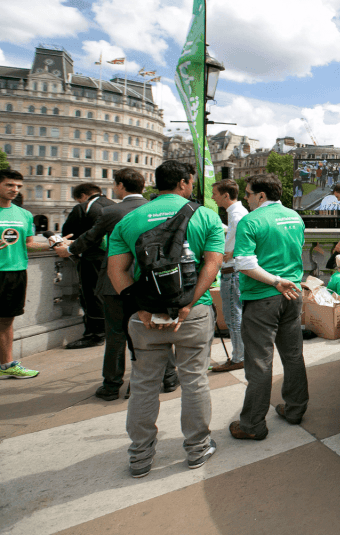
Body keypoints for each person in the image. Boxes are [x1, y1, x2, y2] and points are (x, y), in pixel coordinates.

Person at [107, 160, 224, 477]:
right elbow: (212, 265)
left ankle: (140, 457)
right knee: (195, 381)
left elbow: (116, 271)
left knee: (144, 386)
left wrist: (141, 307)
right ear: (185, 183)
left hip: (145, 318)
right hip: (193, 314)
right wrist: (188, 301)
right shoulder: (205, 216)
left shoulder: (130, 220)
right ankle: (197, 449)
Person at [56, 168, 178, 400]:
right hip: (152, 280)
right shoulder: (157, 209)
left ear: (120, 186)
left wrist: (68, 249)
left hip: (115, 281)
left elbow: (90, 238)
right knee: (157, 328)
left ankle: (112, 385)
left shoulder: (112, 210)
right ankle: (169, 377)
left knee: (116, 333)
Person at [230, 174, 308, 441]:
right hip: (293, 293)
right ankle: (295, 409)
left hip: (264, 296)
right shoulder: (294, 217)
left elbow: (245, 263)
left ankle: (252, 424)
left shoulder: (250, 221)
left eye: (248, 193)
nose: (246, 198)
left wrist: (275, 281)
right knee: (293, 355)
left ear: (260, 195)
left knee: (260, 363)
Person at [0, 169, 47, 379]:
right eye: (9, 185)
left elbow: (29, 245)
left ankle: (7, 364)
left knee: (6, 321)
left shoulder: (24, 214)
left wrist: (56, 244)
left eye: (18, 186)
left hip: (15, 273)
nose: (15, 190)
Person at [62, 183, 115, 349]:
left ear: (82, 196)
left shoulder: (83, 208)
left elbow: (68, 234)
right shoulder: (115, 206)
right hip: (116, 258)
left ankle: (95, 334)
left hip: (93, 258)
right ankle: (109, 331)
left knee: (91, 296)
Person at [211, 179, 248, 373]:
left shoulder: (237, 214)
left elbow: (247, 236)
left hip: (232, 272)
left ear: (226, 195)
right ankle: (240, 355)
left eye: (215, 194)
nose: (212, 197)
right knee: (236, 316)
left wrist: (232, 252)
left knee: (234, 317)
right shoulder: (236, 213)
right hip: (233, 271)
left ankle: (239, 357)